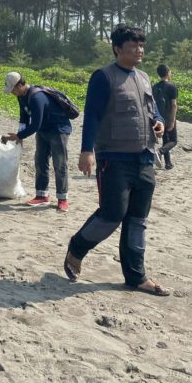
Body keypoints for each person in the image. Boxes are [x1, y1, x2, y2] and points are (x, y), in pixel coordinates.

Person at [64, 24, 170, 296]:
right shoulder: (103, 77)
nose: (139, 50)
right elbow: (93, 116)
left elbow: (153, 109)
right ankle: (77, 247)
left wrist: (158, 122)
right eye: (133, 46)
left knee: (137, 220)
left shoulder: (144, 77)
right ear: (117, 49)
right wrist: (86, 151)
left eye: (141, 45)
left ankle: (136, 276)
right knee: (112, 215)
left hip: (144, 158)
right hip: (114, 159)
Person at [2, 71, 74, 211]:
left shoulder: (36, 97)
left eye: (13, 89)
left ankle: (62, 198)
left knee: (60, 164)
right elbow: (23, 116)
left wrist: (19, 136)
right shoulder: (21, 96)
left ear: (20, 85)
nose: (12, 93)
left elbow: (35, 125)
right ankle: (42, 195)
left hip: (58, 129)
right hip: (43, 130)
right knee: (40, 161)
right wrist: (20, 134)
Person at [153, 64, 178, 170]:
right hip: (168, 117)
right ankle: (160, 152)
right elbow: (174, 105)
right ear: (168, 72)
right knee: (173, 140)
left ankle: (168, 163)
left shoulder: (154, 87)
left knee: (165, 140)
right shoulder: (172, 87)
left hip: (158, 117)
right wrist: (172, 120)